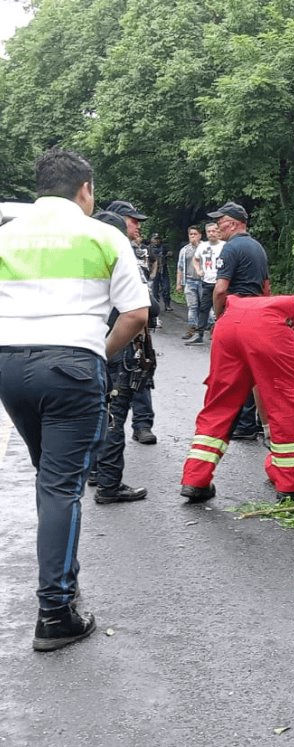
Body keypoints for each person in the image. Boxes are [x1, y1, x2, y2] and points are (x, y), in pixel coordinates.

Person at [0, 148, 149, 651]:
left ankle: (63, 577)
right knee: (63, 486)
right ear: (85, 188)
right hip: (71, 366)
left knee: (49, 478)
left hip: (9, 366)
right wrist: (98, 355)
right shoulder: (102, 234)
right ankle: (55, 609)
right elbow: (136, 315)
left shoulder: (6, 234)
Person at [180, 295, 294, 503]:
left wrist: (267, 425)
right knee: (288, 408)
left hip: (228, 325)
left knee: (219, 406)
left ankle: (195, 480)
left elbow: (260, 384)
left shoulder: (290, 310)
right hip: (269, 328)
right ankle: (293, 486)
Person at [86, 210, 153, 506]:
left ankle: (94, 470)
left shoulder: (82, 258)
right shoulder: (121, 258)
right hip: (116, 346)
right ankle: (109, 484)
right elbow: (143, 312)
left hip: (84, 343)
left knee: (96, 411)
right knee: (114, 416)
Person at [208, 201, 270, 439]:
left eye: (220, 221)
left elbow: (221, 289)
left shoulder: (231, 249)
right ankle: (250, 422)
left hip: (236, 314)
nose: (217, 226)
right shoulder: (258, 248)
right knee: (252, 368)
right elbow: (266, 286)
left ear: (233, 223)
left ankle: (241, 423)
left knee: (231, 371)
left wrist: (219, 315)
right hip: (257, 313)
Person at [105, 200, 158, 445]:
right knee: (115, 399)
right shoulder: (117, 249)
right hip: (118, 329)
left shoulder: (134, 249)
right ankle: (105, 474)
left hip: (132, 331)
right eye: (133, 220)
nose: (138, 226)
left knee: (141, 372)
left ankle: (142, 423)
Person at [186, 222, 223, 345]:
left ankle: (221, 334)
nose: (212, 233)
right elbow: (195, 259)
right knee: (203, 308)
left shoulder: (225, 246)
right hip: (207, 282)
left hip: (221, 282)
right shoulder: (203, 246)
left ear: (218, 231)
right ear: (206, 233)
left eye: (214, 231)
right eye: (209, 231)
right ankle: (199, 334)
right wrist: (198, 270)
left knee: (222, 309)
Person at [177, 225, 205, 340]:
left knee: (205, 306)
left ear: (200, 235)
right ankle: (192, 328)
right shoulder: (184, 250)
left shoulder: (205, 248)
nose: (193, 236)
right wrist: (179, 283)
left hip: (203, 281)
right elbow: (180, 267)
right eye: (191, 234)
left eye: (195, 234)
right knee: (192, 306)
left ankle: (208, 328)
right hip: (189, 280)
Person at [149, 233, 172, 312]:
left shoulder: (164, 247)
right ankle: (156, 307)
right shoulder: (149, 248)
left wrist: (169, 253)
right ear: (152, 239)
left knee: (166, 288)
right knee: (154, 290)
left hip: (163, 270)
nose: (157, 240)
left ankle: (167, 304)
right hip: (153, 271)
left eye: (158, 239)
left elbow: (170, 252)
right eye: (155, 239)